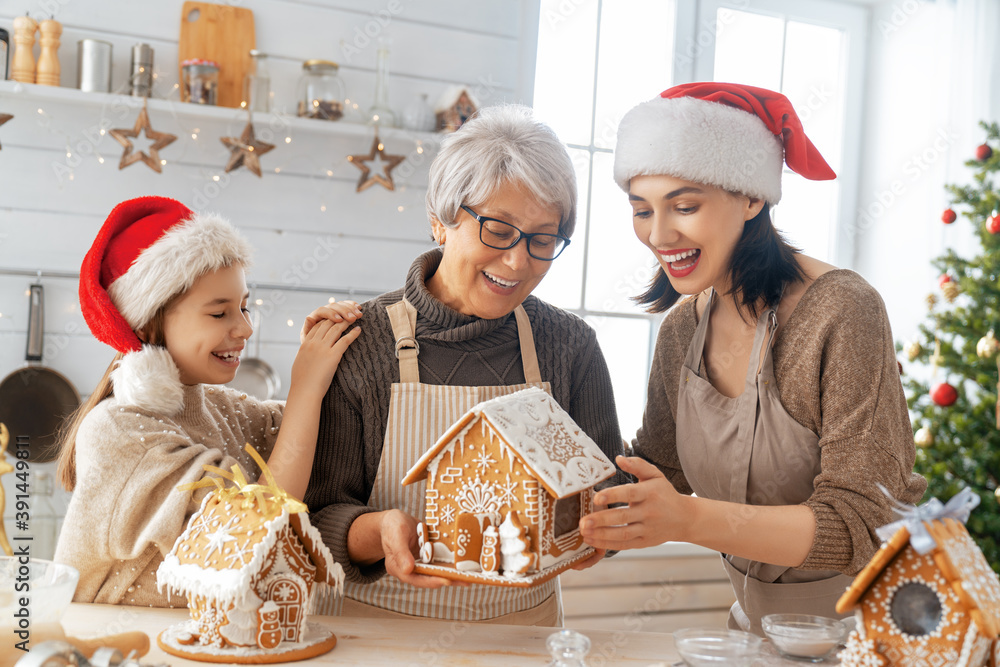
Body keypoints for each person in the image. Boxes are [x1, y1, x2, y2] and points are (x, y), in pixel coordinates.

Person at [578, 82, 928, 634]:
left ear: (750, 197)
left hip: (877, 633)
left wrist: (688, 519)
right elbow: (659, 470)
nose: (659, 233)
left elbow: (861, 521)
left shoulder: (842, 311)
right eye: (642, 210)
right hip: (761, 633)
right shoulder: (681, 331)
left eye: (685, 205)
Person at [303, 104, 625, 626]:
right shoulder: (360, 340)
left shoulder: (570, 345)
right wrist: (382, 531)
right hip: (380, 634)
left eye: (544, 239)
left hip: (523, 635)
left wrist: (604, 527)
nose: (519, 262)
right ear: (441, 219)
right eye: (499, 229)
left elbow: (605, 490)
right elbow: (314, 518)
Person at [54, 196, 360, 606]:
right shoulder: (117, 430)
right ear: (147, 321)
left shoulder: (222, 407)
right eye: (220, 314)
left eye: (245, 307)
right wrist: (305, 385)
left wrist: (333, 358)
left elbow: (318, 433)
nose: (245, 328)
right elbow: (261, 527)